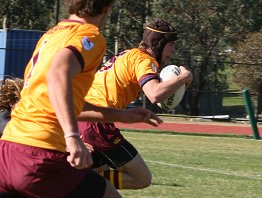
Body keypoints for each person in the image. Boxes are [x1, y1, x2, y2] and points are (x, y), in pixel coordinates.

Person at [0, 1, 162, 197]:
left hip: (9, 149)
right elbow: (58, 74)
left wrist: (123, 115)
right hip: (41, 155)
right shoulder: (89, 35)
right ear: (106, 9)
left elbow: (64, 100)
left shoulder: (52, 34)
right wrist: (72, 137)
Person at [78, 19, 193, 190]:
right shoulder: (144, 61)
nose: (173, 51)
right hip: (97, 123)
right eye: (172, 45)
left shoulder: (129, 54)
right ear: (159, 43)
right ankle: (76, 183)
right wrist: (183, 78)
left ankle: (78, 183)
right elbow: (155, 94)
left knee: (102, 175)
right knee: (142, 178)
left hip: (84, 117)